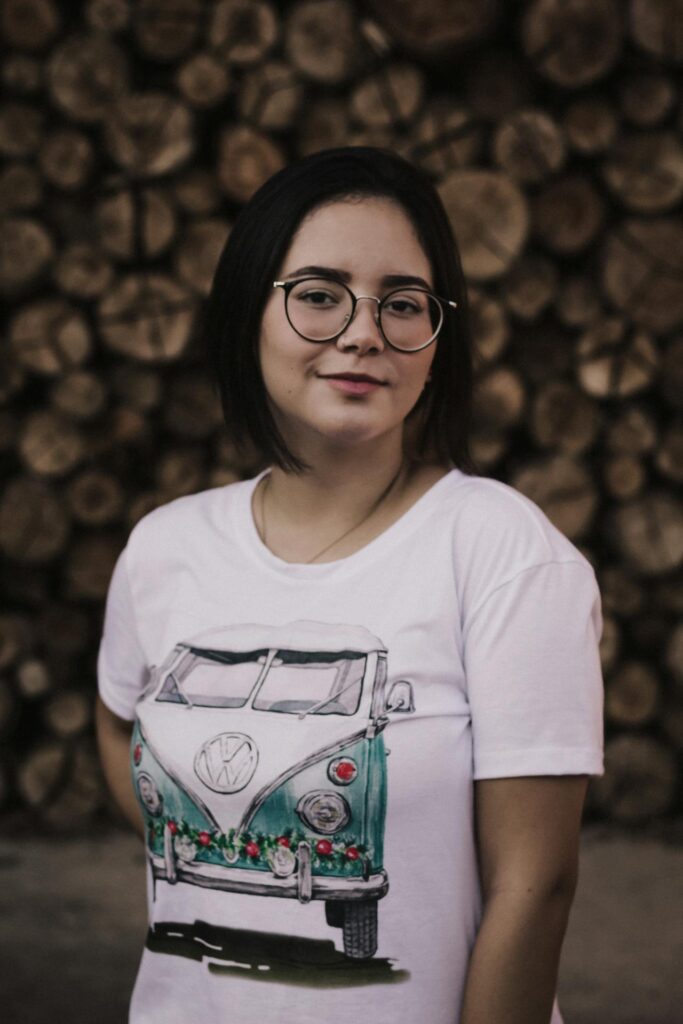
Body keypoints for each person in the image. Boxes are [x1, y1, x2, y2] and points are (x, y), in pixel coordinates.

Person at [95, 146, 604, 1024]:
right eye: (319, 294)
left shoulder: (499, 550)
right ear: (248, 312)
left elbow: (534, 885)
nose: (363, 332)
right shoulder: (165, 546)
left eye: (401, 303)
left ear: (437, 341)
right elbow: (116, 723)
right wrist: (221, 843)